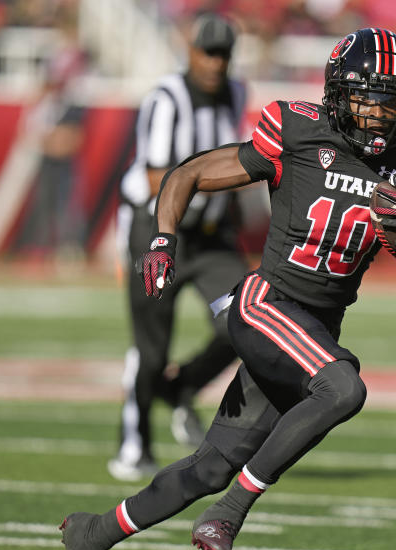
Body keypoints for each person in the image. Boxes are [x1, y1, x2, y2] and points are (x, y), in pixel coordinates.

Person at [58, 27, 396, 550]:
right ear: (338, 96)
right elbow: (186, 174)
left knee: (209, 466)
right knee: (343, 387)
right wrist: (163, 238)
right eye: (368, 99)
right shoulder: (298, 132)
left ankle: (92, 535)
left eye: (392, 102)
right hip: (264, 305)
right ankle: (233, 511)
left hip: (314, 332)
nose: (379, 116)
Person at [108, 13, 249, 481]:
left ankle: (184, 384)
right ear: (189, 52)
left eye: (222, 53)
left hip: (210, 237)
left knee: (250, 318)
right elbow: (157, 176)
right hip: (158, 231)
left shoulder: (236, 91)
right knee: (151, 348)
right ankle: (134, 442)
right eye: (207, 52)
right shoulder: (167, 98)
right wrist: (215, 182)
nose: (214, 62)